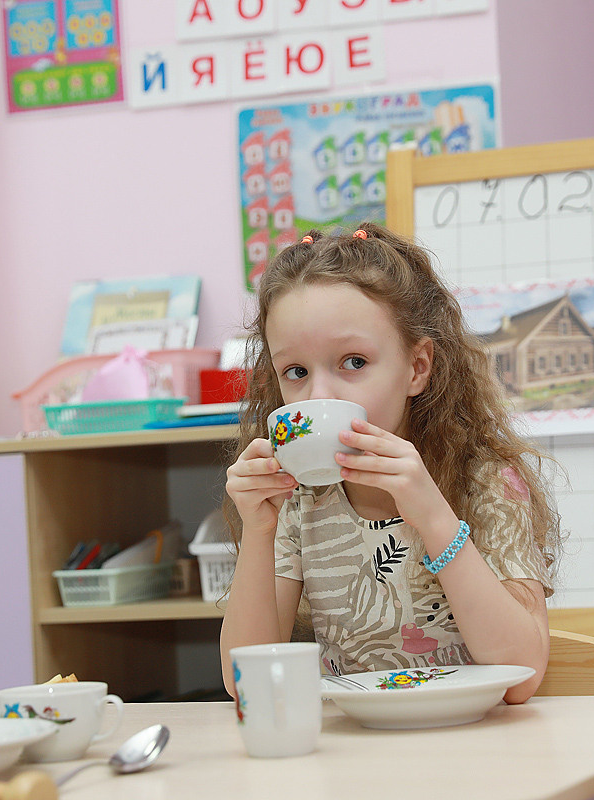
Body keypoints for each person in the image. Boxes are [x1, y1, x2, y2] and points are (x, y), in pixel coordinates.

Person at [220, 222, 560, 704]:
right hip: (352, 754)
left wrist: (433, 514)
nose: (319, 396)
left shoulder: (485, 482)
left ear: (417, 368)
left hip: (474, 750)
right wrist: (258, 531)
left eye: (354, 362)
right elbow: (245, 682)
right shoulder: (299, 500)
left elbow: (521, 677)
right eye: (295, 372)